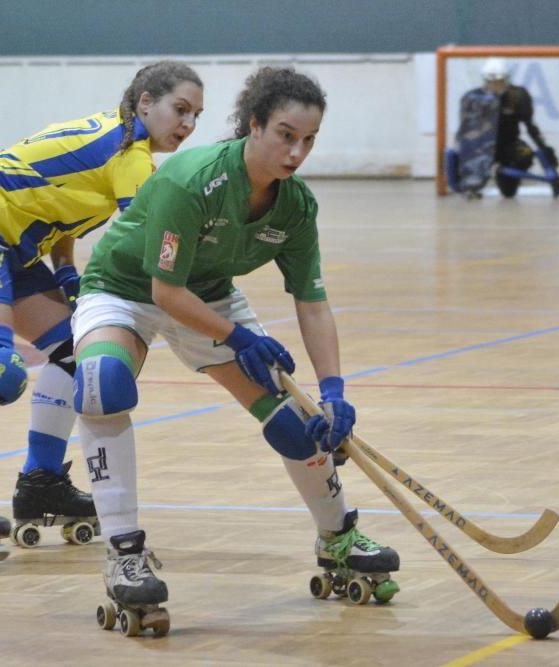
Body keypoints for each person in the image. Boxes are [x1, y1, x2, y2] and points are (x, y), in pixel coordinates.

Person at [72, 66, 400, 634]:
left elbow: (312, 302)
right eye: (285, 134)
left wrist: (333, 391)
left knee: (298, 424)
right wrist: (238, 338)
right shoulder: (191, 180)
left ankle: (338, 537)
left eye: (309, 140)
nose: (296, 151)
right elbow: (163, 291)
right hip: (126, 289)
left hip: (210, 296)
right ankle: (124, 553)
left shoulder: (296, 206)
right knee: (104, 384)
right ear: (253, 125)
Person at [0, 61, 205, 569]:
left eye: (197, 115)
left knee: (74, 355)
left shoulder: (111, 136)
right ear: (145, 102)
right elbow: (150, 247)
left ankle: (42, 482)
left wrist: (66, 270)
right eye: (180, 110)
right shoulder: (130, 160)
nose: (188, 125)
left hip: (11, 246)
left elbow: (56, 205)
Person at [454, 58, 559, 198]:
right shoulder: (473, 98)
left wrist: (545, 151)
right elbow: (465, 130)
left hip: (508, 144)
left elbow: (531, 127)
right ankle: (472, 183)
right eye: (491, 82)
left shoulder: (518, 96)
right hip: (482, 147)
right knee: (460, 162)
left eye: (499, 82)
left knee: (524, 157)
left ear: (507, 80)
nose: (495, 86)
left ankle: (505, 176)